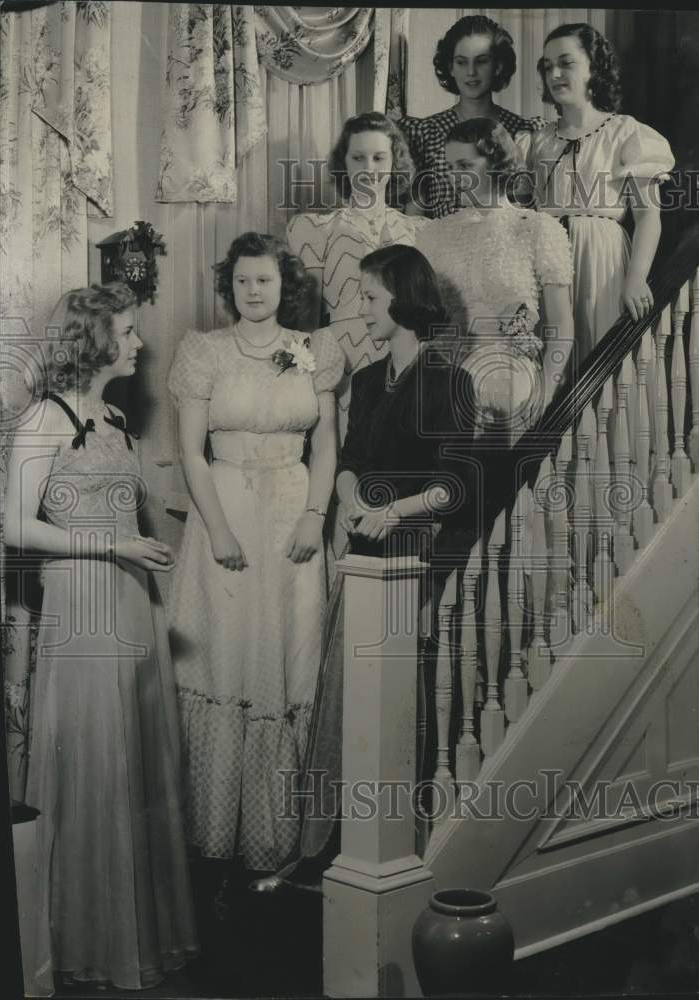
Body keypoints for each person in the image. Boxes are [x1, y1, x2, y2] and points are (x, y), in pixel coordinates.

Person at [250, 245, 479, 893]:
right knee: (347, 696)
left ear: (404, 303)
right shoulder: (368, 379)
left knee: (401, 706)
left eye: (371, 298)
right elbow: (350, 458)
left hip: (418, 562)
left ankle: (397, 852)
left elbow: (455, 486)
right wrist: (351, 496)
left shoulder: (452, 381)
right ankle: (333, 851)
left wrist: (397, 512)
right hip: (364, 556)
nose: (362, 310)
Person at [4, 283, 198, 991]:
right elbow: (12, 527)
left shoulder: (113, 416)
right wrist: (109, 547)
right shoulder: (43, 421)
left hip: (131, 601)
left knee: (134, 762)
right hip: (81, 601)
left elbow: (132, 520)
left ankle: (133, 932)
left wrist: (141, 552)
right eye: (129, 331)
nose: (141, 344)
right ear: (97, 339)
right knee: (93, 760)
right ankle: (81, 940)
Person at [166, 232, 343, 885]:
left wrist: (315, 515)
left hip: (294, 517)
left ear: (283, 284)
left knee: (290, 659)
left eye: (264, 280)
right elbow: (189, 451)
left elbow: (325, 448)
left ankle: (278, 839)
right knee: (228, 657)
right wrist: (215, 531)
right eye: (243, 281)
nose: (253, 291)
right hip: (228, 513)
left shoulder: (309, 351)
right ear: (229, 286)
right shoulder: (204, 352)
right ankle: (214, 840)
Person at [416, 117, 575, 434]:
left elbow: (562, 324)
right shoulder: (432, 235)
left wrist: (544, 393)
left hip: (511, 376)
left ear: (496, 162)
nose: (455, 178)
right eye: (450, 167)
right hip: (446, 375)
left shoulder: (537, 228)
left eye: (465, 165)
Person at [528, 22, 674, 361]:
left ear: (595, 68)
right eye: (548, 66)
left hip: (602, 260)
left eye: (566, 63)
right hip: (546, 260)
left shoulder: (627, 133)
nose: (555, 73)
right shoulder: (536, 141)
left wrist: (637, 276)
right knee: (550, 363)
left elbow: (648, 216)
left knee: (599, 359)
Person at [286, 111, 425, 447]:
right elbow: (306, 317)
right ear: (343, 163)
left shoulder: (421, 230)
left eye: (379, 157)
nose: (369, 169)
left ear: (394, 162)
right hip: (343, 361)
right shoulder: (314, 229)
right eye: (358, 158)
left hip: (407, 360)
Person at [397, 14, 545, 219]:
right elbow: (413, 218)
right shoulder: (424, 133)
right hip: (443, 248)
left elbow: (531, 212)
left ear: (498, 66)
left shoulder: (523, 132)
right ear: (450, 68)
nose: (471, 72)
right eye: (461, 62)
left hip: (507, 247)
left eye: (481, 61)